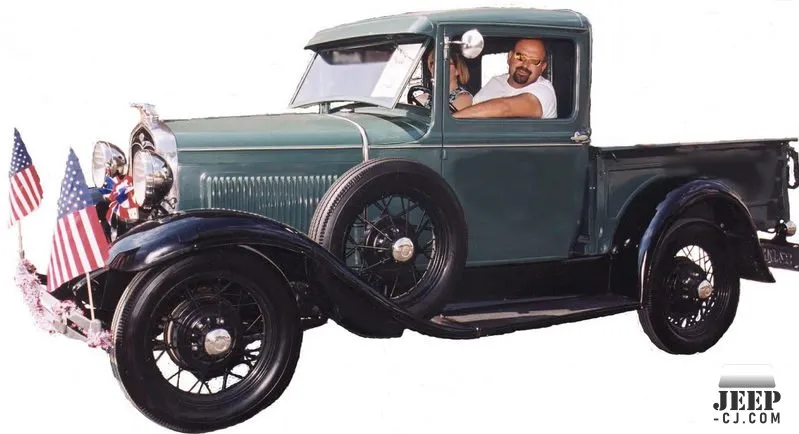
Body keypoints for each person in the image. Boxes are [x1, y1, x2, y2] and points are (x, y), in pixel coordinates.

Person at [453, 38, 557, 119]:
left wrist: (452, 119)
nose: (525, 65)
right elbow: (473, 109)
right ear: (509, 57)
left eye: (534, 61)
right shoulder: (496, 81)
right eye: (520, 57)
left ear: (542, 67)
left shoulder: (544, 91)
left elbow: (505, 108)